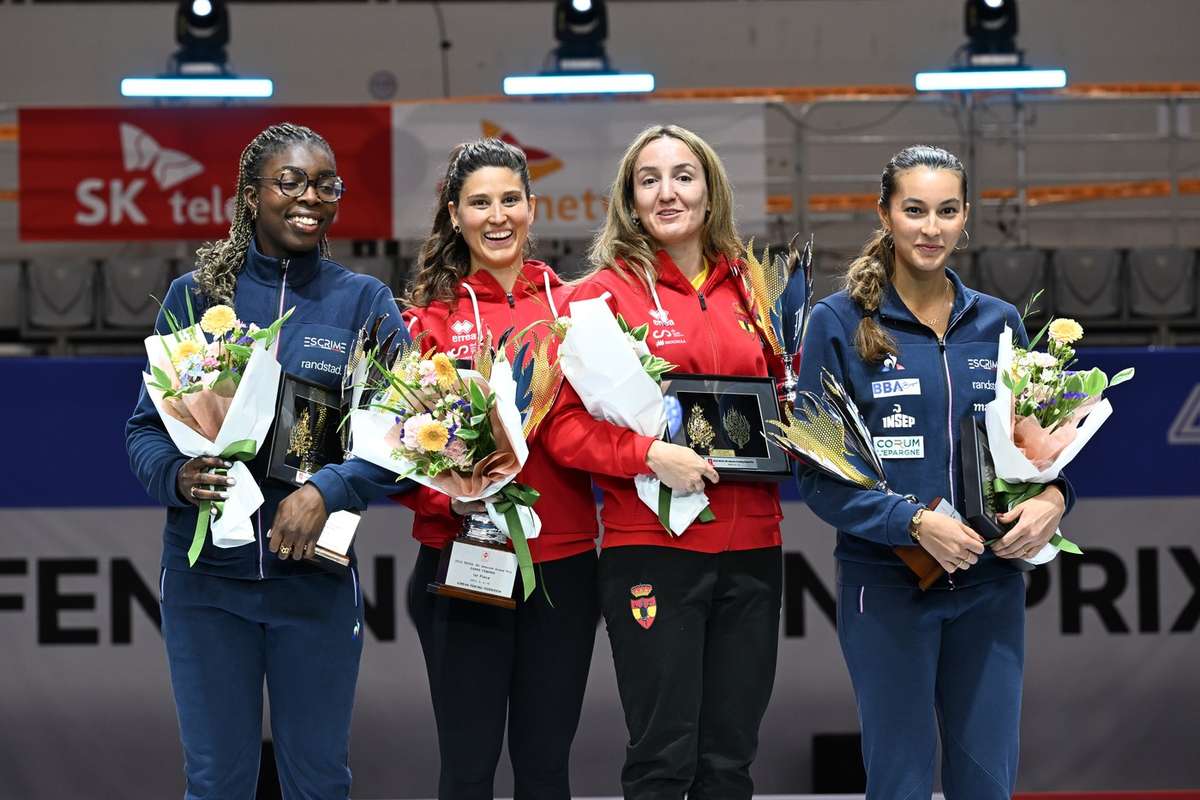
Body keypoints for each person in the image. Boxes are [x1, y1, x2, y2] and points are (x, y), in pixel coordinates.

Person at [125, 122, 410, 799]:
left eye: (325, 184)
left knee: (316, 782)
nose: (310, 196)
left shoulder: (363, 302)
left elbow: (405, 436)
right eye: (290, 181)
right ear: (251, 197)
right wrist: (177, 476)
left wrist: (332, 489)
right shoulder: (194, 298)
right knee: (217, 782)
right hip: (206, 589)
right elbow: (144, 431)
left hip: (311, 582)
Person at [794, 144, 1075, 799]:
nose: (931, 227)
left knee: (986, 783)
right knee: (901, 782)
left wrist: (1055, 498)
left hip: (990, 587)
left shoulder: (999, 322)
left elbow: (1035, 452)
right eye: (914, 210)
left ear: (966, 216)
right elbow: (816, 476)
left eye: (946, 211)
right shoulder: (839, 323)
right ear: (885, 214)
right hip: (887, 588)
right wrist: (913, 523)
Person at [541, 124, 784, 800]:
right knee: (662, 758)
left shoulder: (755, 293)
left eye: (683, 176)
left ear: (710, 193)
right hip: (653, 548)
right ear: (629, 198)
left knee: (730, 762)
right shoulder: (594, 299)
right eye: (649, 179)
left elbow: (780, 401)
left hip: (755, 551)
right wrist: (646, 453)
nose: (667, 192)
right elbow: (561, 429)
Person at [397, 138, 600, 800]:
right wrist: (445, 501)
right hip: (462, 560)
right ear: (454, 214)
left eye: (510, 199)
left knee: (546, 770)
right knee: (467, 769)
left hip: (562, 565)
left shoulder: (575, 308)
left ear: (533, 207)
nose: (497, 216)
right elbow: (396, 449)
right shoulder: (427, 317)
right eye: (479, 202)